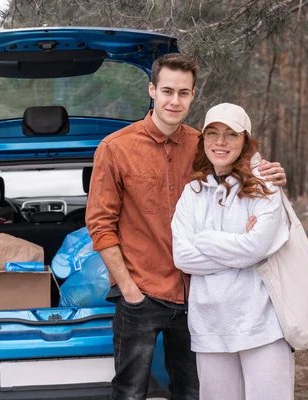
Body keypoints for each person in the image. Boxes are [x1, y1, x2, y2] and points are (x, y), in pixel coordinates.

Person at [85, 54, 287, 400]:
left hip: (196, 294)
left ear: (193, 96)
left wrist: (273, 174)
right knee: (131, 391)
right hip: (141, 293)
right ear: (152, 91)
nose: (174, 101)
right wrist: (129, 290)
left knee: (193, 391)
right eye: (167, 91)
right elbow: (101, 226)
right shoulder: (115, 148)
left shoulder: (204, 144)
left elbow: (246, 170)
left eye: (183, 93)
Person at [171, 103, 293, 400]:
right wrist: (238, 240)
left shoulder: (265, 185)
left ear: (245, 141)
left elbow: (255, 249)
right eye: (212, 133)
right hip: (209, 326)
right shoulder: (193, 192)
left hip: (261, 323)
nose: (220, 142)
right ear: (203, 141)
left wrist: (204, 239)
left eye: (231, 134)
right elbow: (182, 257)